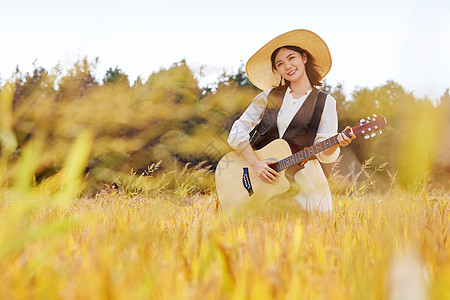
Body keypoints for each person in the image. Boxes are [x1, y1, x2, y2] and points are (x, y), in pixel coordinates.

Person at [227, 29, 355, 213]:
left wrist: (337, 142)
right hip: (260, 177)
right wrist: (256, 163)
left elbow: (325, 151)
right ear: (277, 70)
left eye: (291, 58)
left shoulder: (326, 102)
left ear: (304, 58)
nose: (287, 66)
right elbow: (238, 128)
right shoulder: (268, 96)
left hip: (302, 178)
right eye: (280, 63)